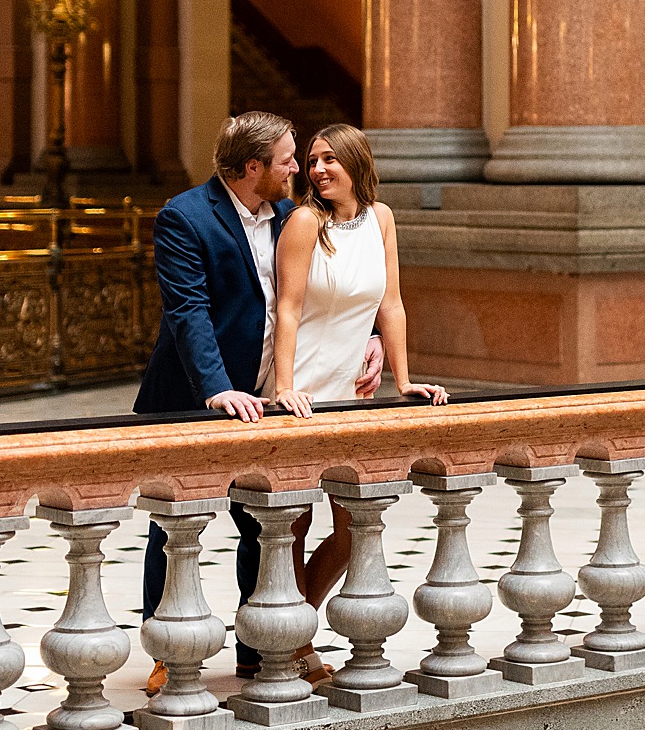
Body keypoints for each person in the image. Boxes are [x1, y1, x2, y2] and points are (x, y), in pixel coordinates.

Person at [133, 112, 381, 692]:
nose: (299, 168)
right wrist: (217, 387)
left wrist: (367, 337)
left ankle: (257, 646)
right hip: (194, 396)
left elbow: (330, 286)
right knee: (176, 527)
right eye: (289, 159)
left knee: (264, 528)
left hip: (272, 395)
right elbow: (189, 312)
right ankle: (167, 649)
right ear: (253, 167)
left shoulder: (293, 215)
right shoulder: (185, 216)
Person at [266, 124, 446, 678]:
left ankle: (295, 627)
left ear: (356, 162)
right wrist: (283, 386)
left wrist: (402, 379)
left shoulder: (382, 218)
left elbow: (391, 304)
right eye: (312, 161)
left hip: (351, 392)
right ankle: (296, 646)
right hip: (301, 388)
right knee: (294, 525)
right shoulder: (304, 222)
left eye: (329, 159)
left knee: (353, 526)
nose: (318, 170)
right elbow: (288, 308)